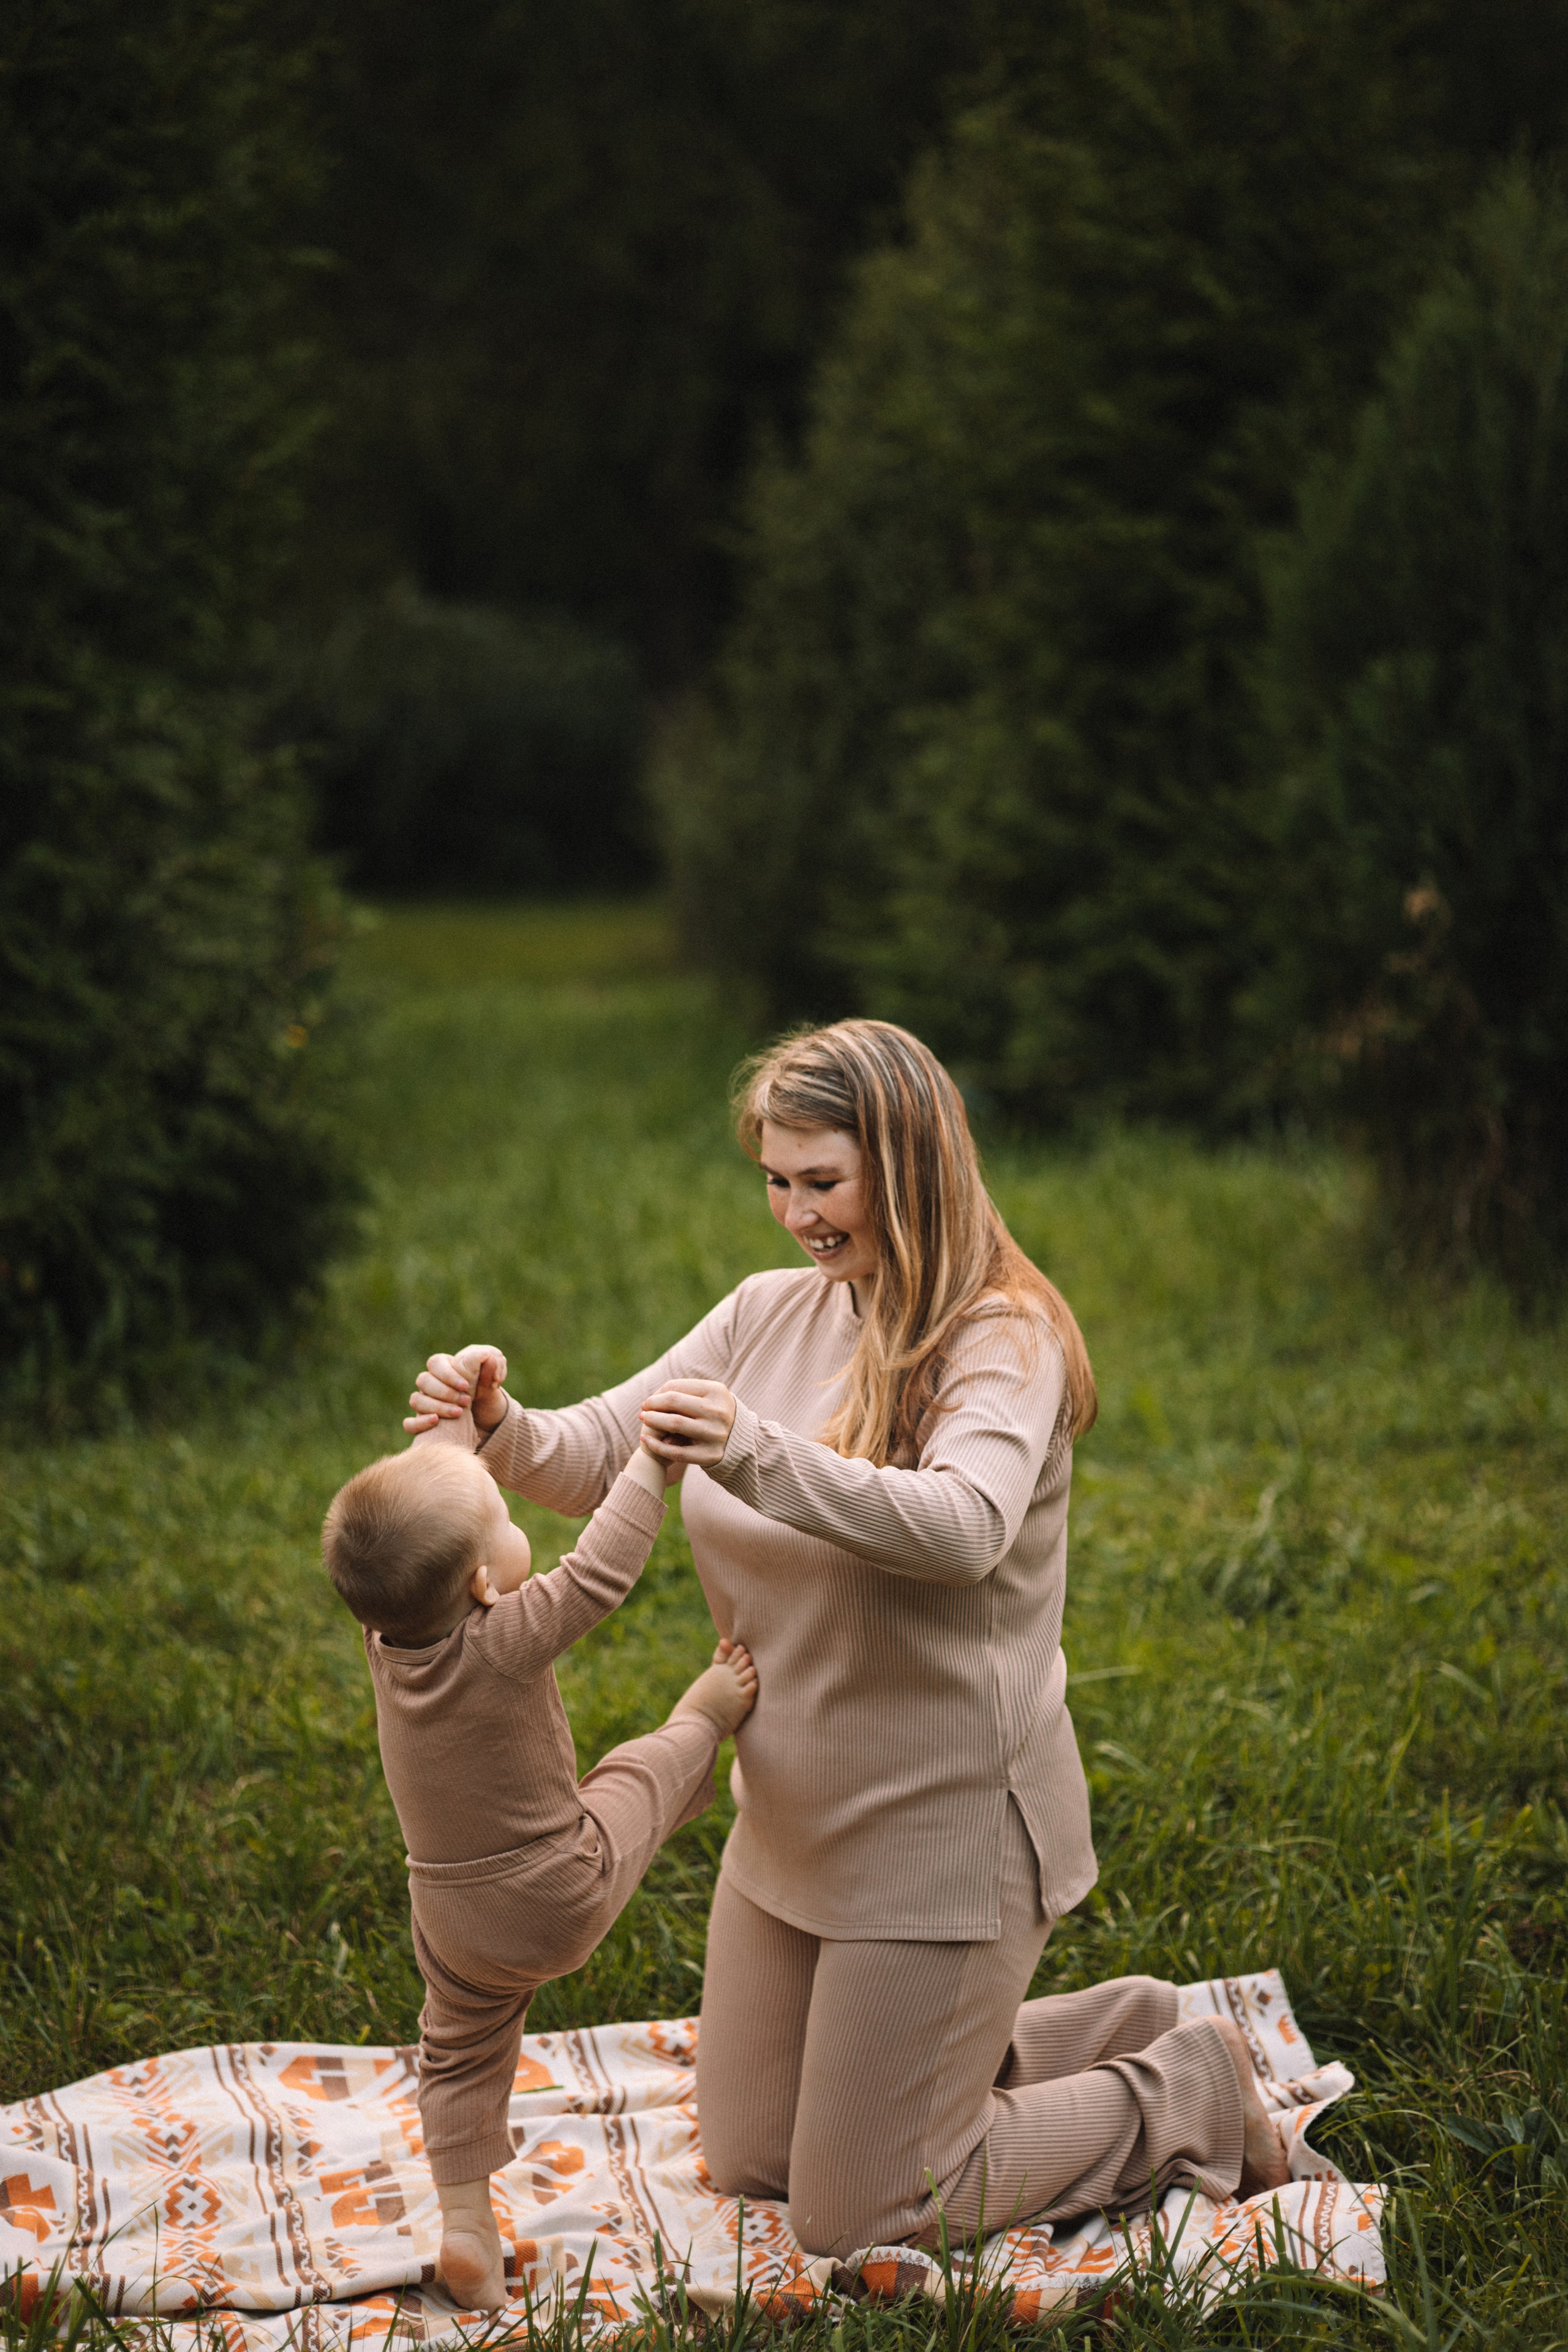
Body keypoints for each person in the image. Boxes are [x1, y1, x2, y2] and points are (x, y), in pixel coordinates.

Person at [405, 1018, 1287, 2260]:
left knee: (857, 2211)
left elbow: (965, 1526)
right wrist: (500, 1426)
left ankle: (1182, 2090)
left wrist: (756, 1452)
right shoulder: (769, 1313)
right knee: (751, 2157)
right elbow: (597, 1450)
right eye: (775, 1180)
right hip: (792, 1811)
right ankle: (1108, 2026)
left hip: (941, 1829)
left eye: (821, 1180)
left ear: (910, 1161)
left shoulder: (1002, 1338)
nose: (793, 1214)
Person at [322, 1422, 758, 2308]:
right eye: (506, 1520)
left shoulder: (384, 1643)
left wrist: (455, 1438)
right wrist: (647, 1467)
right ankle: (708, 1717)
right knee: (639, 1773)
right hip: (558, 1886)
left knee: (458, 2055)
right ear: (484, 1581)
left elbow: (427, 1529)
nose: (520, 1524)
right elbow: (598, 1574)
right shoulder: (503, 1637)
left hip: (448, 1919)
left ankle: (466, 2227)